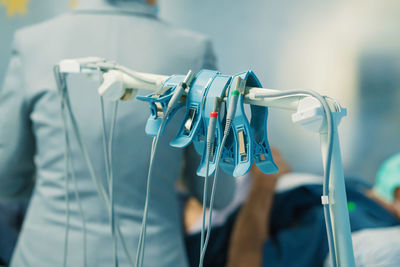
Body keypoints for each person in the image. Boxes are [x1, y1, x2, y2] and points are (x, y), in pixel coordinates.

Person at [0, 0, 235, 266]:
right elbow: (218, 193)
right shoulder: (193, 51)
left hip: (44, 255)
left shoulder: (32, 42)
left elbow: (6, 179)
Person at [183, 150, 400, 267]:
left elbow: (245, 263)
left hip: (204, 235)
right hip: (216, 201)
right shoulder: (358, 192)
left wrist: (264, 184)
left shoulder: (348, 226)